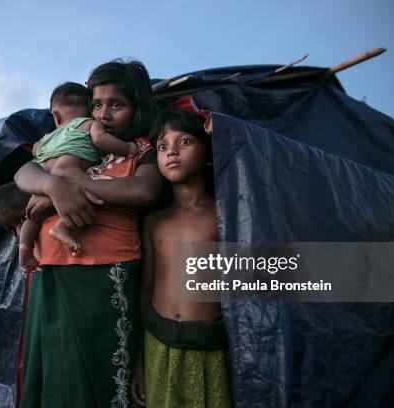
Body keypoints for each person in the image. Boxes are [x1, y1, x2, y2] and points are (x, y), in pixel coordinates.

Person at [14, 59, 162, 407]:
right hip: (49, 272)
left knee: (95, 377)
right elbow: (24, 173)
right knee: (54, 375)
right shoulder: (78, 139)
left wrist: (74, 187)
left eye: (116, 104)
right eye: (97, 104)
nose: (104, 113)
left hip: (105, 274)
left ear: (136, 106)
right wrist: (53, 186)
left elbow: (144, 191)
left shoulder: (141, 149)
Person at [131, 109, 233, 408]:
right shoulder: (154, 222)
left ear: (210, 154)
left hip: (211, 349)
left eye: (185, 141)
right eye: (162, 146)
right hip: (158, 343)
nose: (171, 151)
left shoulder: (227, 214)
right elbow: (146, 290)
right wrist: (139, 360)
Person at [19, 82, 140, 271]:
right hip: (70, 170)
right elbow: (100, 139)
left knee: (32, 215)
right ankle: (62, 227)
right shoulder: (89, 123)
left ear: (55, 115)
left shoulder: (43, 140)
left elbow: (34, 156)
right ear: (89, 109)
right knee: (94, 195)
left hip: (45, 176)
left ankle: (24, 248)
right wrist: (126, 148)